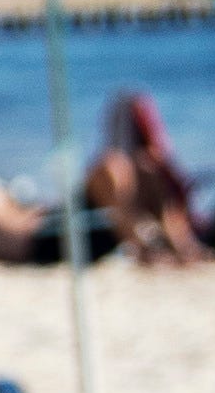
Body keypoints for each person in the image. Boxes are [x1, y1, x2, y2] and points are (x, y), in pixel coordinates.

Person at [83, 90, 207, 265]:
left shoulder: (137, 166)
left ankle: (177, 248)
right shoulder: (115, 166)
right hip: (104, 232)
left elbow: (165, 211)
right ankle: (171, 248)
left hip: (107, 232)